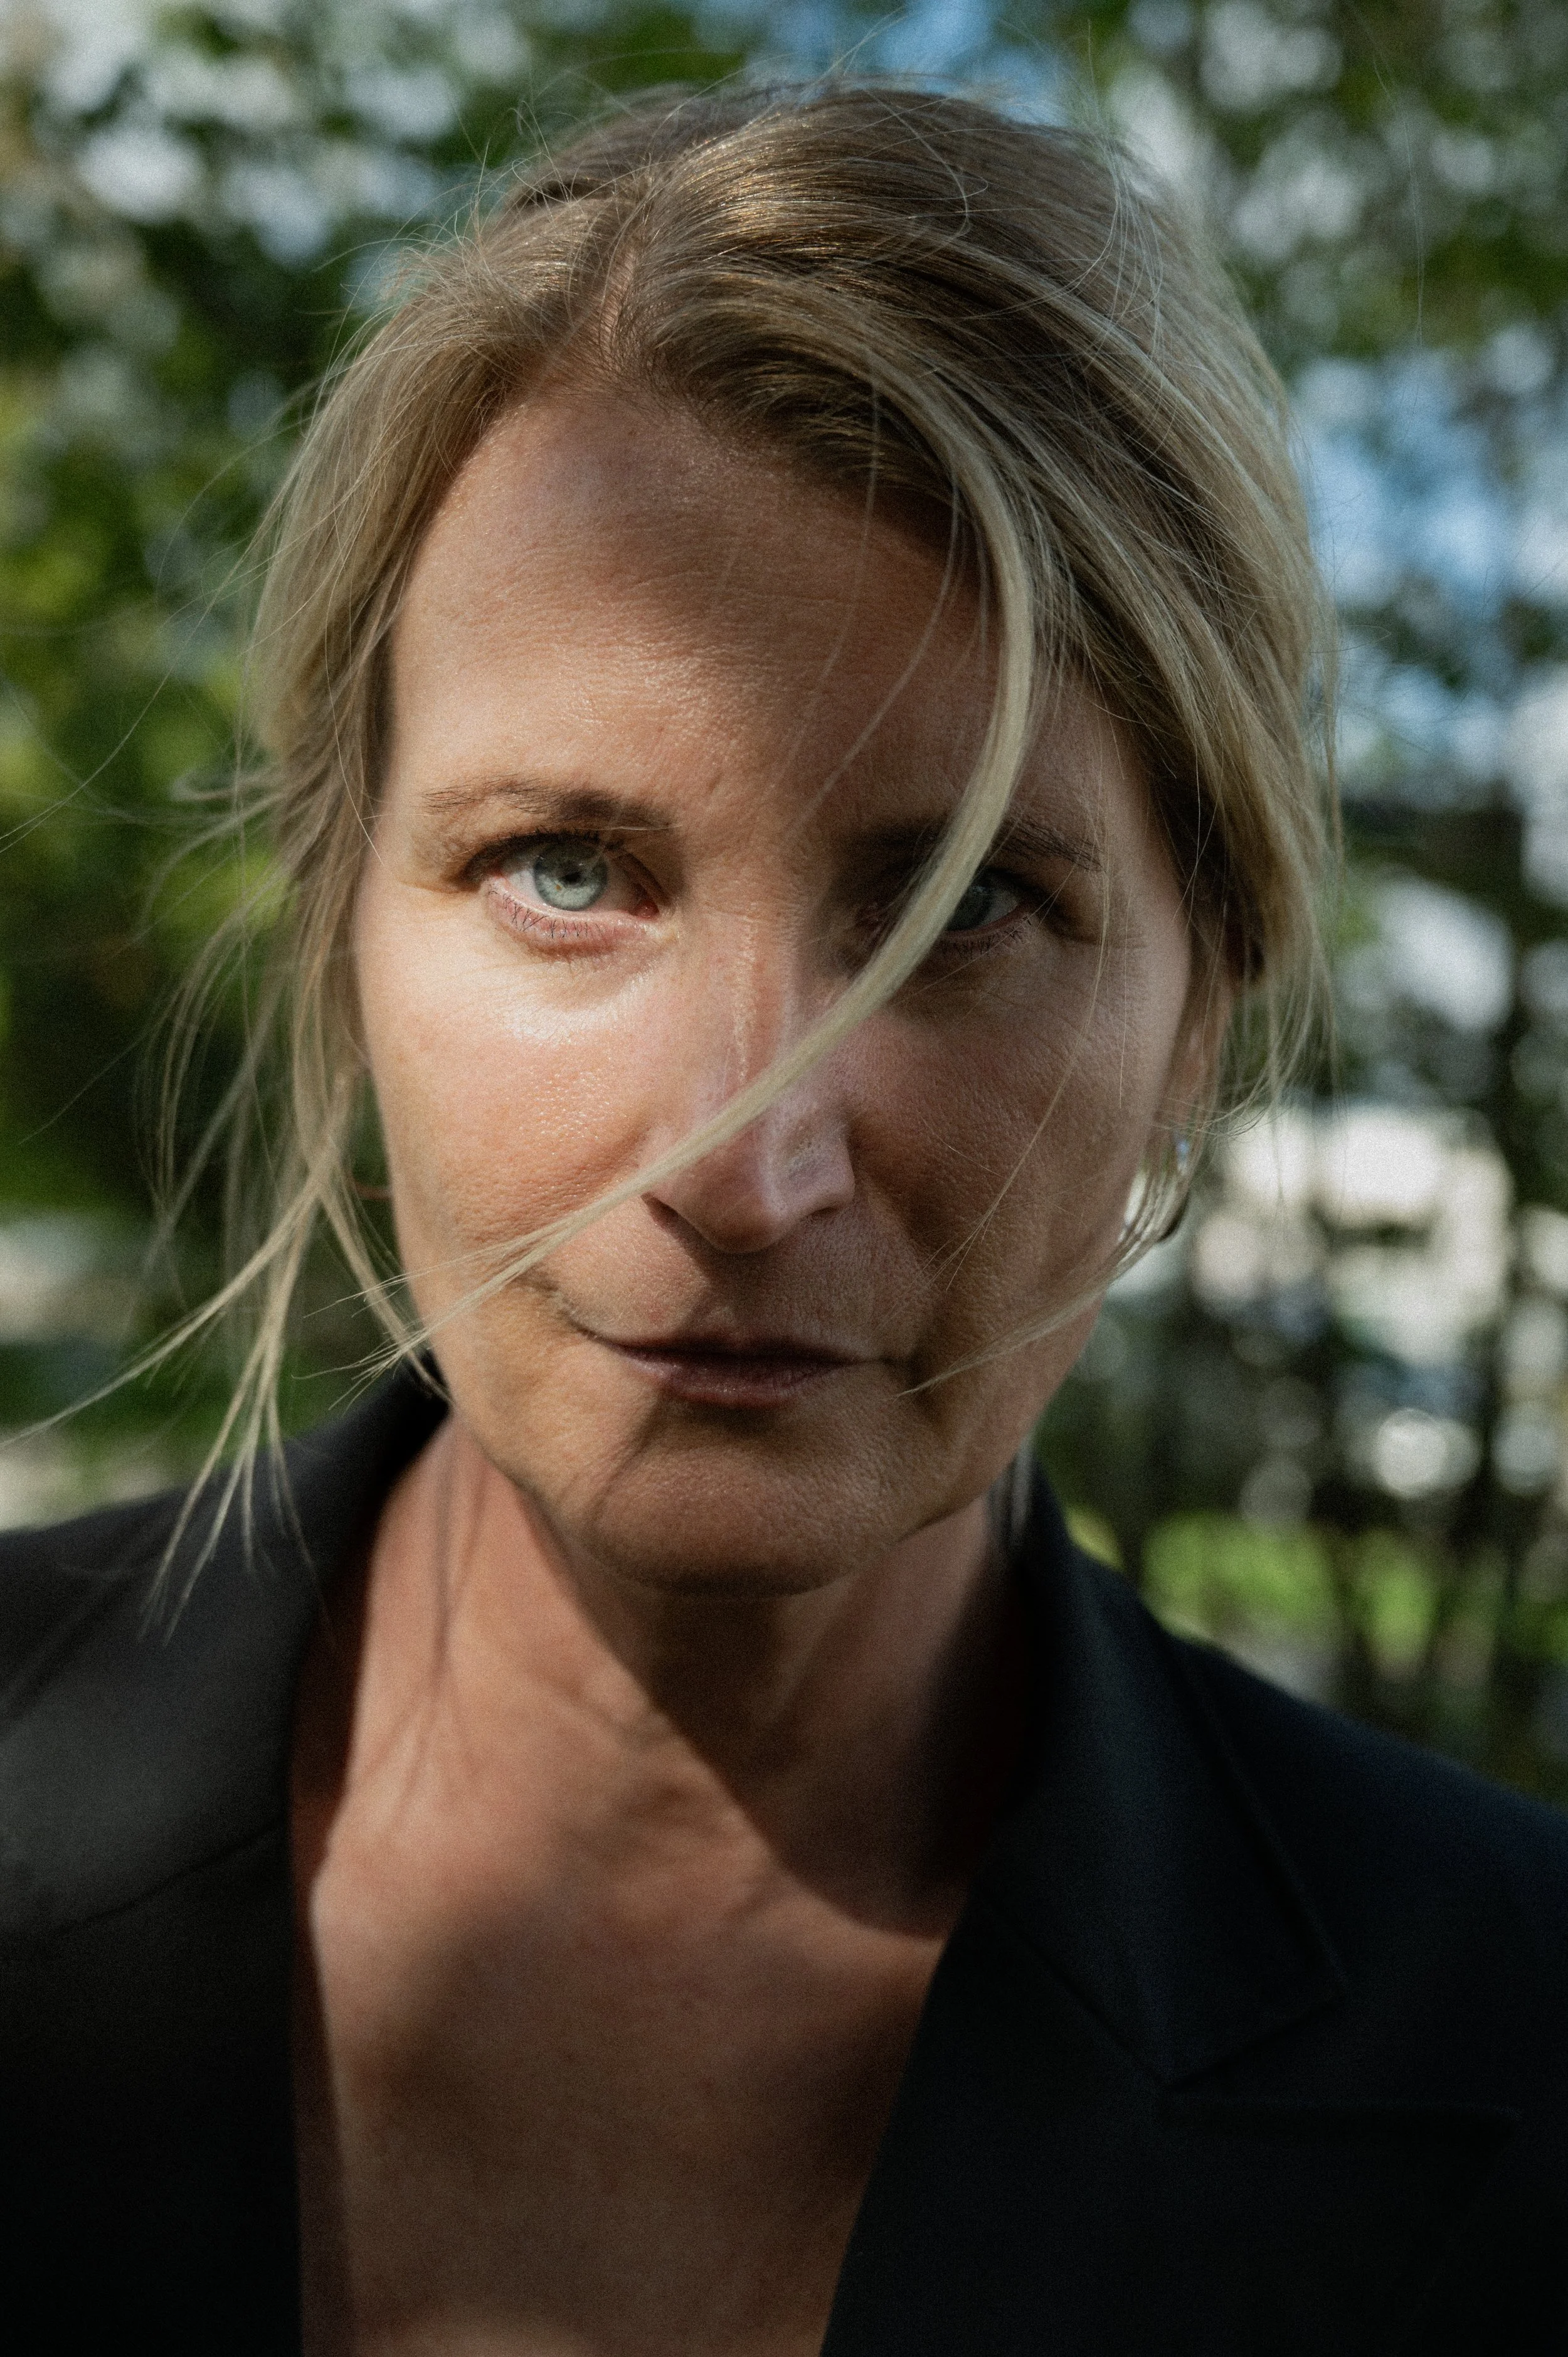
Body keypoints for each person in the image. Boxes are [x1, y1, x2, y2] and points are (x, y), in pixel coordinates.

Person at [3, 80, 1565, 2357]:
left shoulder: (1510, 2060)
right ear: (347, 911)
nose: (742, 1164)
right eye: (567, 870)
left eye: (963, 910)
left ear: (1201, 1005)